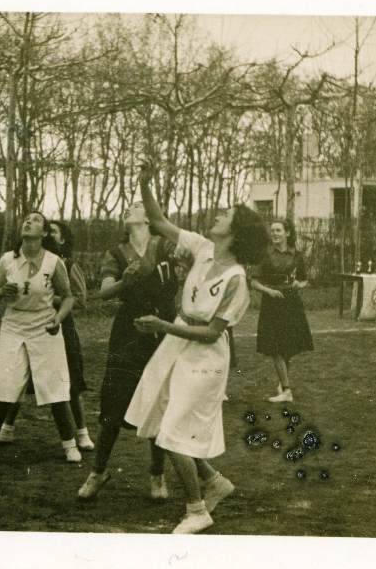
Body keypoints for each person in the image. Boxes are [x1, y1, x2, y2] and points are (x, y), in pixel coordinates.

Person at [124, 157, 271, 534]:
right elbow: (158, 222)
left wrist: (161, 325)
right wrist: (145, 182)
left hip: (206, 356)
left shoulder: (237, 281)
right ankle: (214, 481)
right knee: (160, 420)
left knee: (174, 432)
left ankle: (196, 510)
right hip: (177, 343)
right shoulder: (203, 247)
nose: (218, 215)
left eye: (225, 214)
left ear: (235, 232)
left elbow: (210, 334)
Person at [77, 200, 179, 501]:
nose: (127, 209)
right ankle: (97, 472)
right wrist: (125, 280)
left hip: (163, 323)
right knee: (114, 402)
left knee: (159, 400)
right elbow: (104, 291)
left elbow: (189, 261)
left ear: (148, 218)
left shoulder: (164, 246)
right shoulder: (115, 253)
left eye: (135, 206)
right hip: (129, 328)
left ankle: (157, 473)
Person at [0, 212, 82, 465]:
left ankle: (70, 446)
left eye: (36, 220)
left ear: (44, 233)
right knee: (6, 384)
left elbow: (69, 296)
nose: (28, 222)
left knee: (55, 387)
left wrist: (58, 319)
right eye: (26, 219)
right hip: (13, 325)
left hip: (44, 326)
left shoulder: (54, 261)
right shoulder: (7, 260)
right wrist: (1, 291)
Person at [0, 220, 95, 452]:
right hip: (28, 326)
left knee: (68, 378)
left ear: (62, 240)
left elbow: (79, 300)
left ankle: (81, 433)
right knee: (18, 376)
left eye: (54, 232)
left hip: (59, 325)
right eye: (47, 231)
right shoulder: (25, 261)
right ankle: (6, 428)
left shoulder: (66, 264)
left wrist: (47, 299)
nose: (49, 235)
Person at [250, 218, 314, 403]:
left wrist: (298, 284)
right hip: (272, 304)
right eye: (272, 230)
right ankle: (286, 389)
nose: (274, 234)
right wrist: (269, 290)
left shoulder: (297, 255)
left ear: (287, 233)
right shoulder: (264, 255)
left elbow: (304, 280)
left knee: (287, 346)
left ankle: (282, 384)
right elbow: (253, 282)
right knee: (275, 347)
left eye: (278, 230)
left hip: (292, 304)